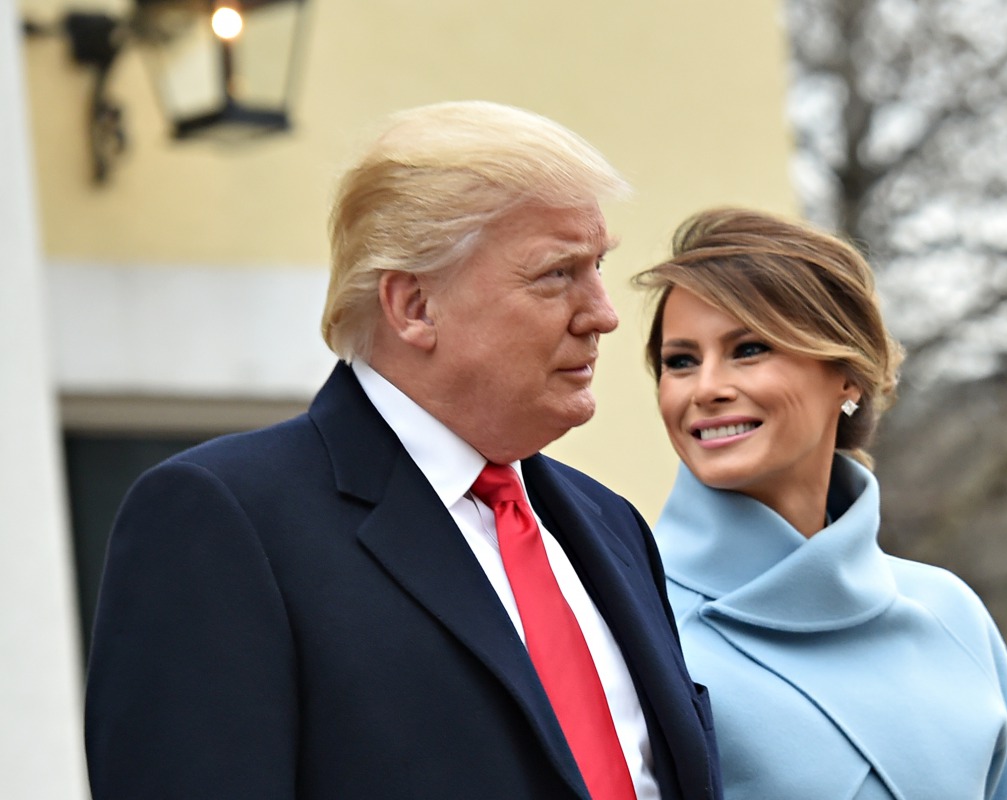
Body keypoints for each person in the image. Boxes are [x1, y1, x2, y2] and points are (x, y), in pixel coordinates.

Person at [85, 101, 720, 800]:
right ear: (414, 306)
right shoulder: (223, 520)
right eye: (556, 274)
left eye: (597, 266)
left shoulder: (612, 525)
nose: (602, 312)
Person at [633, 207, 1007, 799]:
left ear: (846, 375)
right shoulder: (631, 622)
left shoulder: (950, 613)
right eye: (681, 361)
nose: (706, 389)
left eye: (748, 349)